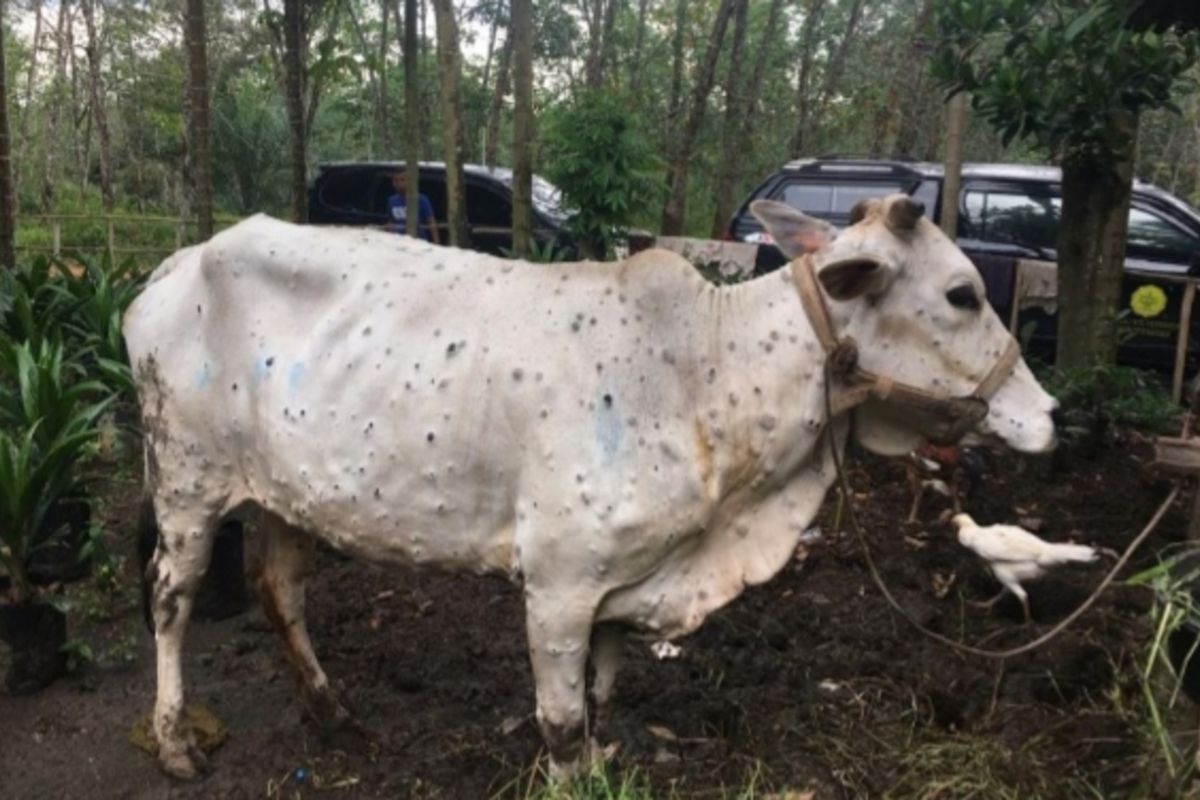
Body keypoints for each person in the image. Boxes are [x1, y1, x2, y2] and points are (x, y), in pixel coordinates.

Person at [387, 170, 440, 244]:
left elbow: (431, 222)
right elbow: (391, 222)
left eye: (402, 180)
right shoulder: (392, 200)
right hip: (398, 242)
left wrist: (436, 242)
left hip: (418, 242)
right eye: (396, 180)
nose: (399, 183)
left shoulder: (421, 199)